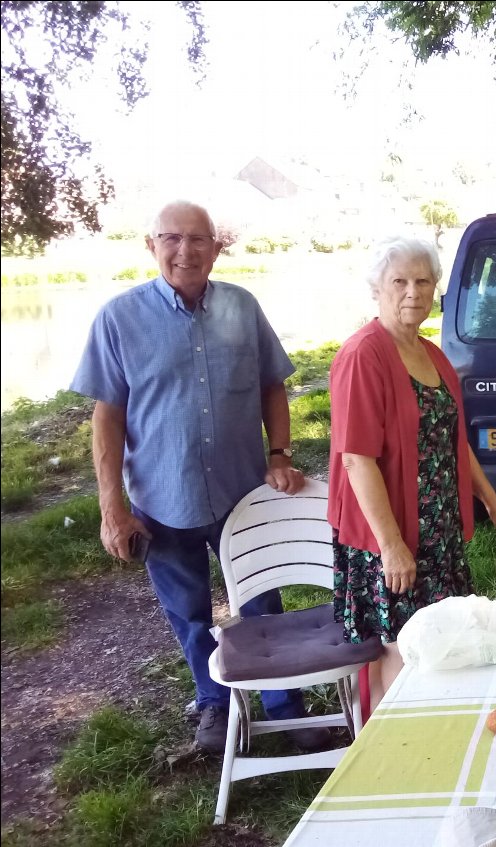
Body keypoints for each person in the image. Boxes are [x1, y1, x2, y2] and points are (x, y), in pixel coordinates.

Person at [71, 200, 329, 753]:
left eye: (198, 240)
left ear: (216, 249)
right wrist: (111, 505)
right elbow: (108, 416)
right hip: (162, 498)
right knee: (188, 612)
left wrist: (280, 454)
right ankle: (214, 704)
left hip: (243, 495)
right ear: (151, 245)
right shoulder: (119, 318)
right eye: (172, 238)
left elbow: (273, 385)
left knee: (261, 603)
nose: (185, 251)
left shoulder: (242, 306)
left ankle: (284, 707)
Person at [327, 235, 496, 700]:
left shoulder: (431, 354)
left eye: (423, 281)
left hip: (437, 530)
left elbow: (453, 442)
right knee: (399, 650)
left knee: (440, 642)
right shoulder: (363, 355)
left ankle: (434, 735)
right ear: (376, 287)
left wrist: (491, 502)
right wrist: (392, 546)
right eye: (399, 281)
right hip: (390, 534)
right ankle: (387, 753)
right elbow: (357, 460)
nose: (412, 292)